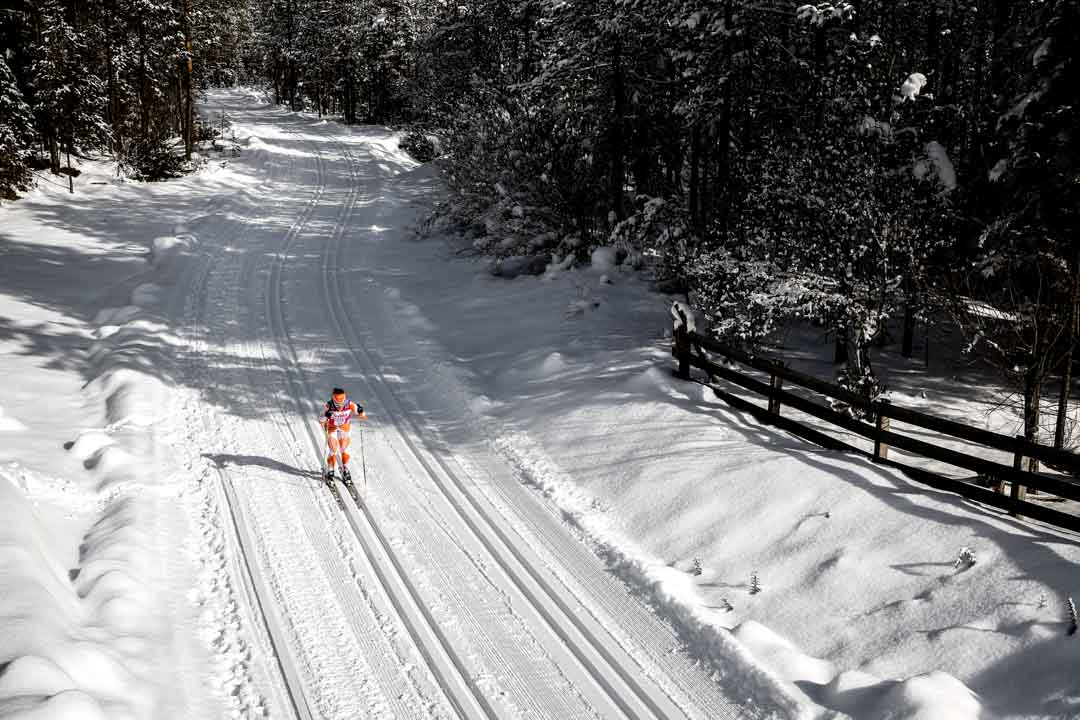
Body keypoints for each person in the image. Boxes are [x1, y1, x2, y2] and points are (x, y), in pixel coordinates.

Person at [319, 387, 367, 483]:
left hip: (344, 428)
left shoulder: (349, 404)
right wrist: (326, 416)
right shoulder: (328, 405)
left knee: (344, 450)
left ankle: (345, 470)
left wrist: (361, 411)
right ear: (333, 399)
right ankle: (330, 471)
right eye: (337, 403)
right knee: (333, 449)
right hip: (332, 428)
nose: (340, 406)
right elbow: (320, 420)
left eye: (341, 403)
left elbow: (363, 416)